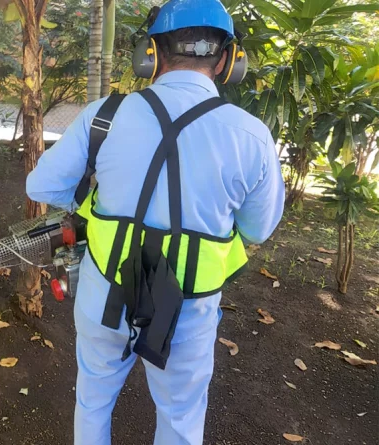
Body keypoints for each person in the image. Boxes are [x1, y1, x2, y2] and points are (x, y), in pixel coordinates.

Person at [25, 1, 285, 444]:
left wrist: (93, 196)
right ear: (227, 61)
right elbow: (258, 229)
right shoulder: (250, 135)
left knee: (92, 403)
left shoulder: (103, 116)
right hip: (187, 308)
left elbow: (40, 186)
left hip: (104, 295)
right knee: (181, 420)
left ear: (151, 54)